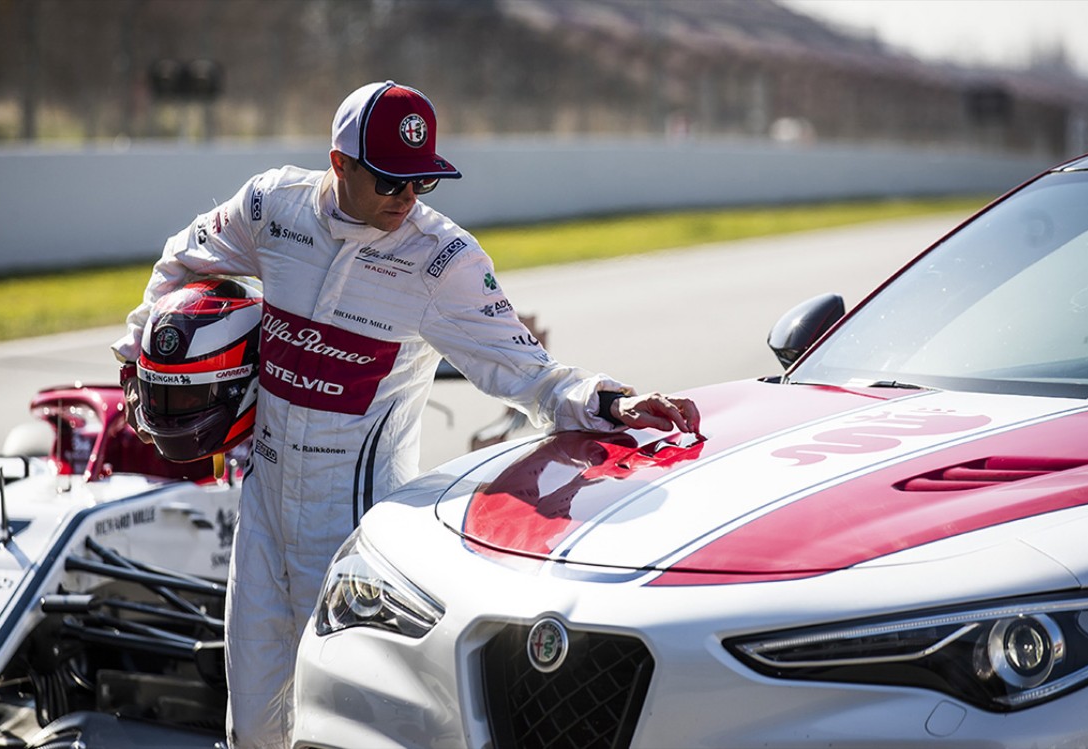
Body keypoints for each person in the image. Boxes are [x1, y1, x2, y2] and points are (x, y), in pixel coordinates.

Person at [113, 80, 700, 749]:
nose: (407, 198)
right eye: (391, 180)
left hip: (359, 534)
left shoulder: (443, 260)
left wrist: (613, 401)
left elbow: (531, 375)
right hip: (263, 510)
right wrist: (137, 357)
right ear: (340, 164)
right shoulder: (271, 205)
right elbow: (180, 261)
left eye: (423, 181)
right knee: (252, 728)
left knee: (343, 729)